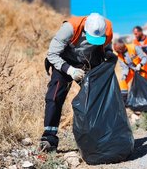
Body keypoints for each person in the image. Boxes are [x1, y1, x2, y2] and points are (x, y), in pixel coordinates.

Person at [40, 13, 116, 152]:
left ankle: (99, 136)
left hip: (87, 63)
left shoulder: (108, 28)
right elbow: (52, 54)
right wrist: (70, 70)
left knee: (95, 99)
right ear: (85, 29)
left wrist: (109, 53)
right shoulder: (70, 27)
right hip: (64, 63)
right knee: (54, 97)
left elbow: (106, 47)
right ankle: (49, 138)